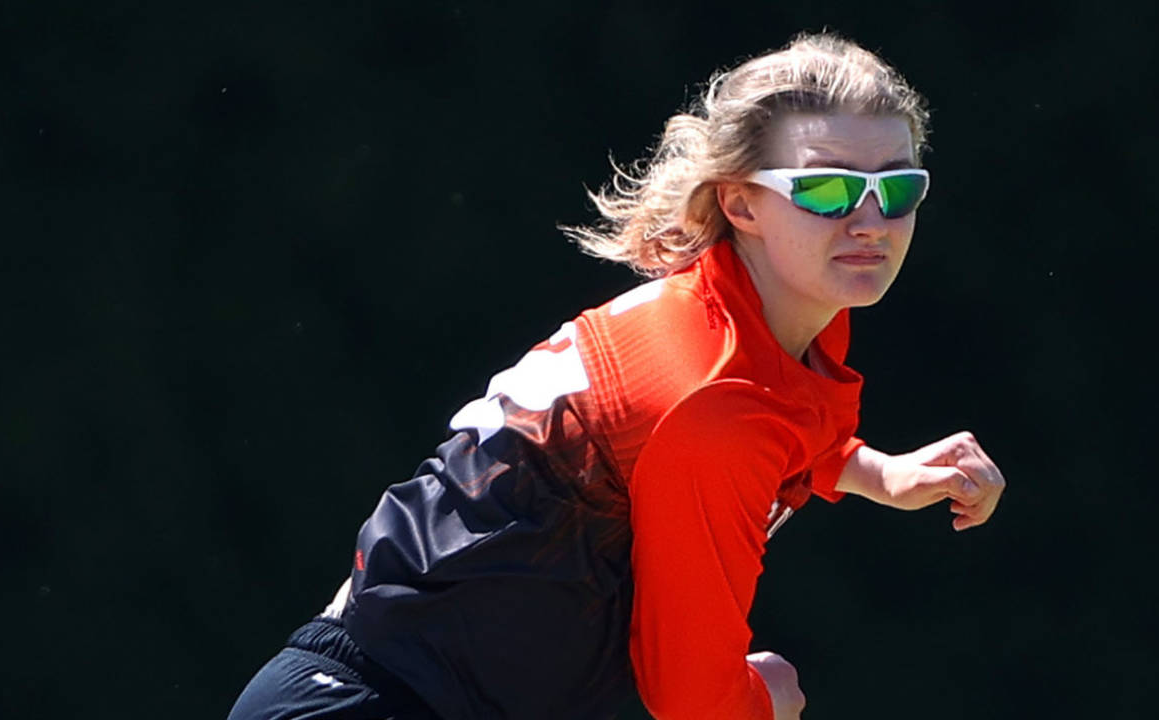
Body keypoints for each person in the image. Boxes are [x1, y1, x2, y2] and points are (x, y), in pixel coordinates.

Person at [227, 31, 1006, 720]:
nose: (869, 219)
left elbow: (783, 422)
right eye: (827, 189)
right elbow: (694, 700)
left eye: (897, 189)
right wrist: (766, 699)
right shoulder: (717, 397)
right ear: (740, 203)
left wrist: (878, 472)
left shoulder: (759, 312)